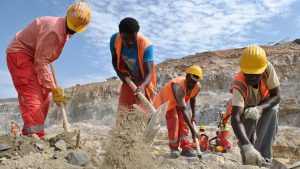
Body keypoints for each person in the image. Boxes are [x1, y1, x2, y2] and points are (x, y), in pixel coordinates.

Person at [6, 2, 91, 137]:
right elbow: (41, 61)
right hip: (21, 54)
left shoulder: (64, 30)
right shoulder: (53, 31)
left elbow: (43, 58)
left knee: (45, 96)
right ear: (67, 17)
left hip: (35, 57)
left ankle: (31, 134)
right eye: (72, 27)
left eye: (76, 29)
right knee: (32, 96)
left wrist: (50, 89)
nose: (73, 31)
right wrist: (53, 87)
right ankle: (35, 137)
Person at [224, 45, 281, 167]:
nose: (252, 77)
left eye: (256, 74)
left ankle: (264, 160)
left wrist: (260, 109)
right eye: (248, 74)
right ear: (243, 70)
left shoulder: (267, 68)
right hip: (245, 108)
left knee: (272, 111)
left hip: (265, 103)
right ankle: (249, 161)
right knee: (246, 138)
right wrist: (247, 146)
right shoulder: (238, 83)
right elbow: (236, 118)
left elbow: (276, 96)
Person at [110, 17, 156, 117]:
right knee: (123, 112)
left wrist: (143, 86)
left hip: (143, 82)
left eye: (133, 39)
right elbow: (114, 60)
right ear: (120, 33)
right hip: (128, 79)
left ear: (137, 34)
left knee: (142, 113)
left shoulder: (147, 45)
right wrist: (120, 74)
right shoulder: (114, 40)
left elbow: (149, 73)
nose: (130, 42)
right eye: (125, 39)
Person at [154, 65, 203, 158]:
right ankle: (174, 149)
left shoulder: (197, 86)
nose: (192, 85)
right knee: (174, 121)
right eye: (191, 81)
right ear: (187, 76)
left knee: (184, 123)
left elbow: (193, 98)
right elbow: (184, 109)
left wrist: (194, 115)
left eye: (195, 82)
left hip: (179, 103)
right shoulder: (178, 86)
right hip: (167, 102)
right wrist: (193, 131)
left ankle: (186, 148)